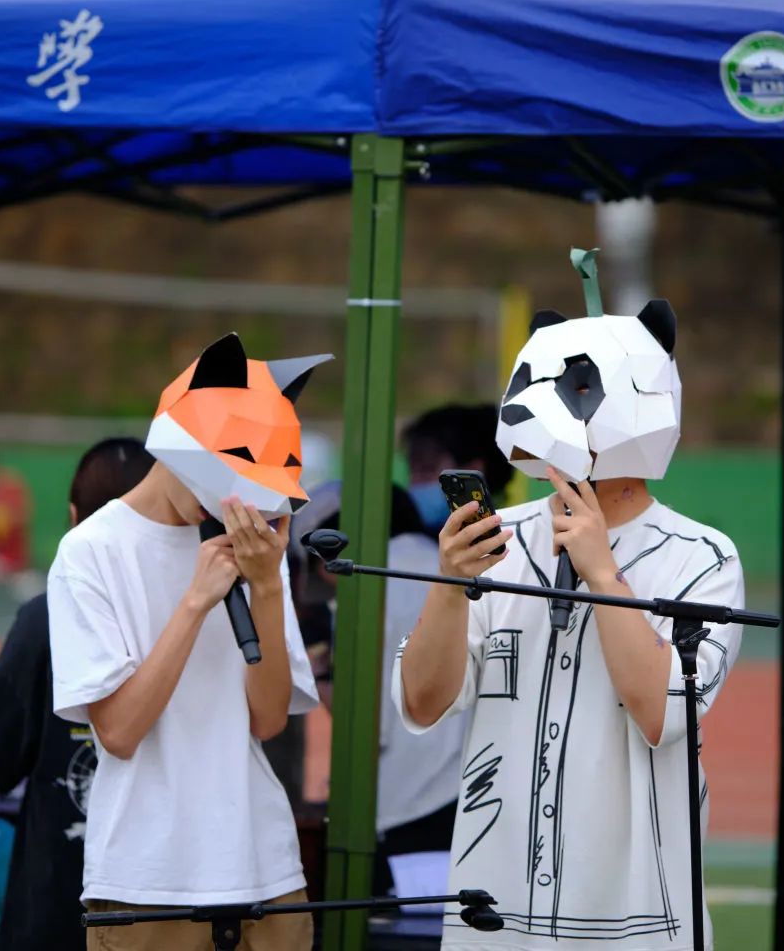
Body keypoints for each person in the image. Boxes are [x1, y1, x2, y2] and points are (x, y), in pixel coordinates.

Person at [394, 288, 744, 949]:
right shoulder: (494, 541)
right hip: (493, 917)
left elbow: (663, 714)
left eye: (578, 387)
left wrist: (602, 573)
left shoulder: (702, 556)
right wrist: (449, 586)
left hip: (636, 920)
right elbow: (421, 703)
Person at [48, 340, 321, 951]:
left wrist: (266, 588)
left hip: (264, 870)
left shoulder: (255, 546)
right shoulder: (91, 552)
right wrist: (196, 602)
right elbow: (118, 732)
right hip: (148, 881)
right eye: (213, 487)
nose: (226, 507)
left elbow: (268, 719)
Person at [0, 438, 155, 951]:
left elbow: (2, 745)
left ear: (74, 517)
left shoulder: (41, 618)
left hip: (54, 888)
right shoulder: (191, 610)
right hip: (157, 889)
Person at [291, 482, 467, 894]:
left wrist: (320, 678)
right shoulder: (449, 567)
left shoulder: (366, 587)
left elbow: (365, 722)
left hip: (407, 807)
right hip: (468, 795)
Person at [402, 404, 514, 536]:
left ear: (471, 473)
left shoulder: (508, 542)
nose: (414, 482)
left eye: (427, 470)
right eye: (412, 470)